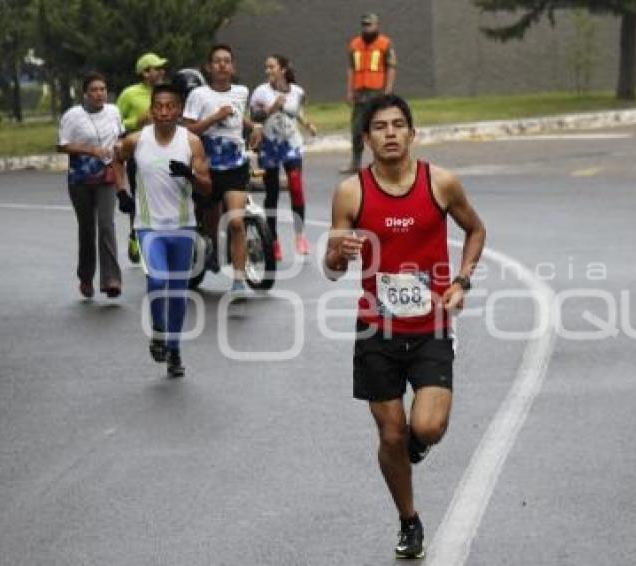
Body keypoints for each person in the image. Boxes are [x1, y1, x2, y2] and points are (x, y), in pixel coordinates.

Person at [324, 94, 486, 559]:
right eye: (380, 127)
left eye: (399, 125)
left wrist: (461, 281)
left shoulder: (441, 183)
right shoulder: (352, 192)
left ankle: (412, 446)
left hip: (432, 324)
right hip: (376, 328)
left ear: (412, 134)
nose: (390, 133)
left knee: (428, 427)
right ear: (366, 138)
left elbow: (476, 230)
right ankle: (409, 520)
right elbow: (331, 267)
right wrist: (341, 252)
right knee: (390, 434)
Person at [117, 83, 212, 378]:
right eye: (158, 106)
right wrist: (122, 191)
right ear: (151, 110)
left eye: (170, 106)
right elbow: (116, 159)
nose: (164, 112)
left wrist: (190, 175)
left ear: (180, 110)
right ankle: (159, 331)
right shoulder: (137, 140)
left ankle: (174, 348)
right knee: (157, 282)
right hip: (148, 227)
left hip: (183, 227)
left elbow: (208, 187)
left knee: (179, 293)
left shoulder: (191, 142)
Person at [183, 43, 261, 292]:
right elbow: (188, 130)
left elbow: (238, 117)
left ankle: (238, 280)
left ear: (233, 66)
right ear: (208, 67)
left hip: (235, 166)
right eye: (217, 61)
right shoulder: (198, 96)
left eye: (227, 60)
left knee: (236, 222)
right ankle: (210, 250)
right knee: (210, 223)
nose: (222, 65)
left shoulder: (241, 92)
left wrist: (254, 127)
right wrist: (214, 117)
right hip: (206, 167)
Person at [58, 71, 128, 299]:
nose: (99, 94)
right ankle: (85, 276)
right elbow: (62, 146)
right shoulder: (72, 116)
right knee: (87, 229)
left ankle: (111, 279)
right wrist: (90, 150)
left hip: (106, 176)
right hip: (80, 179)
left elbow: (121, 135)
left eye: (102, 90)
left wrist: (119, 145)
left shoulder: (114, 112)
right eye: (94, 90)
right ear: (85, 94)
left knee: (106, 224)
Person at [249, 54, 317, 259]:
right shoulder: (260, 92)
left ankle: (300, 235)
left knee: (296, 188)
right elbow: (254, 118)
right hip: (269, 147)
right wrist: (272, 108)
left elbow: (297, 112)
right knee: (272, 195)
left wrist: (307, 124)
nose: (268, 71)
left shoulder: (298, 91)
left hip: (291, 145)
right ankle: (274, 241)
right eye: (266, 67)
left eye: (272, 67)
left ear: (283, 69)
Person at [116, 52, 168, 265]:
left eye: (162, 68)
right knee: (141, 197)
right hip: (139, 152)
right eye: (157, 68)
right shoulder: (130, 94)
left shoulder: (166, 93)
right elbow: (116, 122)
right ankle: (134, 234)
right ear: (146, 73)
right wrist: (136, 121)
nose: (162, 71)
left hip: (166, 150)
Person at [341, 12, 397, 174]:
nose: (367, 28)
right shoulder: (354, 44)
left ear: (377, 25)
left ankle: (381, 162)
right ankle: (355, 163)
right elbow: (351, 68)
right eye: (364, 25)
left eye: (370, 24)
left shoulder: (385, 44)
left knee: (378, 129)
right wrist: (349, 91)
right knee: (357, 129)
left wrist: (388, 91)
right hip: (359, 93)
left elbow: (391, 67)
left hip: (377, 92)